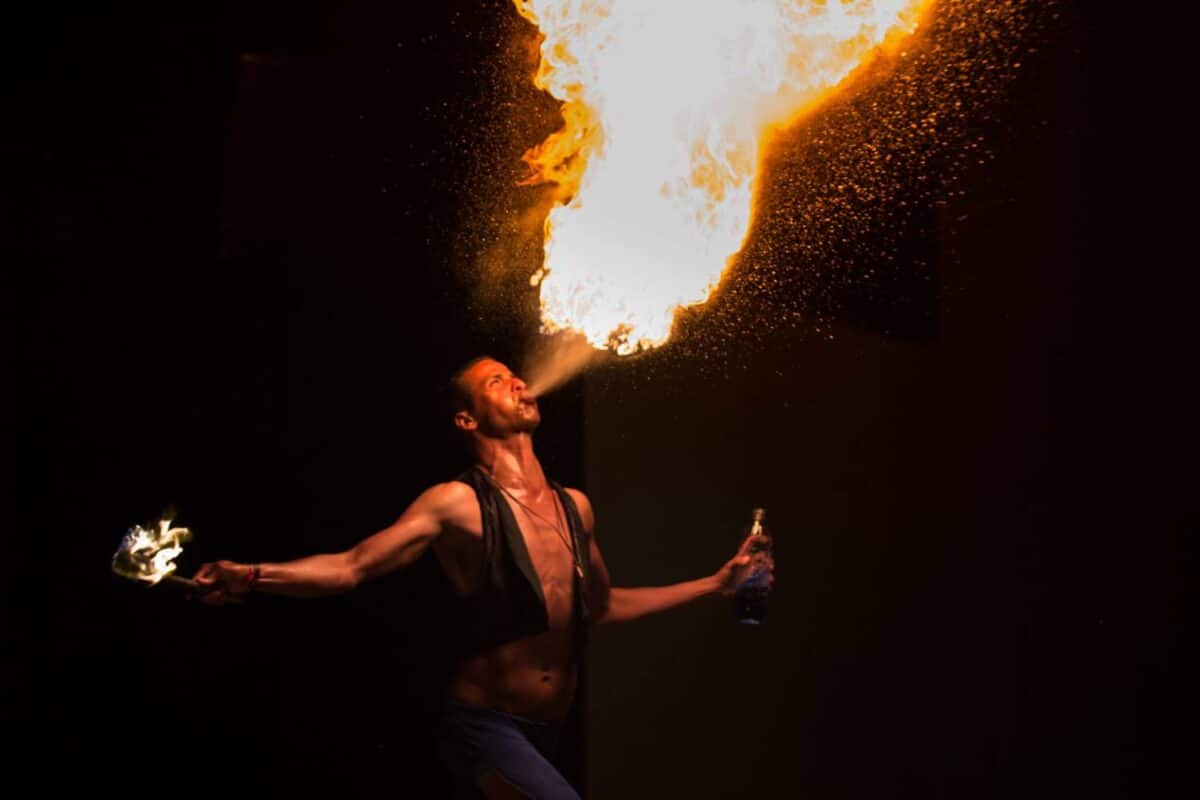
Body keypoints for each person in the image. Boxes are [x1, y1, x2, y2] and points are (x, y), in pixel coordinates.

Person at [192, 356, 774, 799]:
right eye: (497, 381)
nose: (519, 383)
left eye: (516, 376)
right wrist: (251, 575)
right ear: (467, 417)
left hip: (546, 732)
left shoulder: (576, 507)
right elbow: (352, 567)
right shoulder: (456, 503)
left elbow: (600, 607)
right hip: (483, 726)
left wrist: (713, 584)